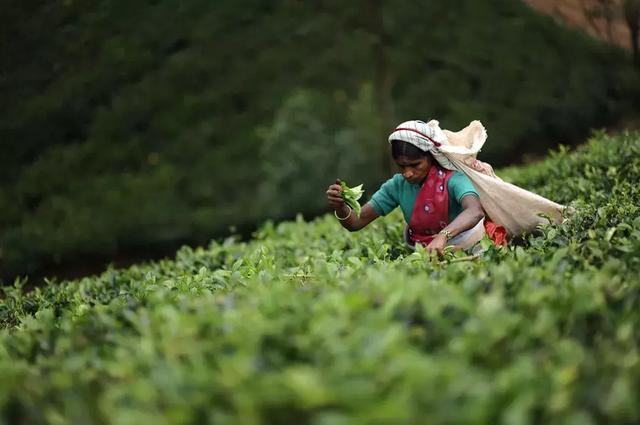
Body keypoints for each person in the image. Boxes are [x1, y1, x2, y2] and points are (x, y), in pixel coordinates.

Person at [326, 120, 499, 255]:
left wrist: (443, 236)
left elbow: (475, 211)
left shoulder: (453, 179)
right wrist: (341, 206)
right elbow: (356, 222)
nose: (408, 173)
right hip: (424, 253)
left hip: (470, 245)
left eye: (415, 165)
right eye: (402, 166)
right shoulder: (397, 186)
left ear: (430, 157)